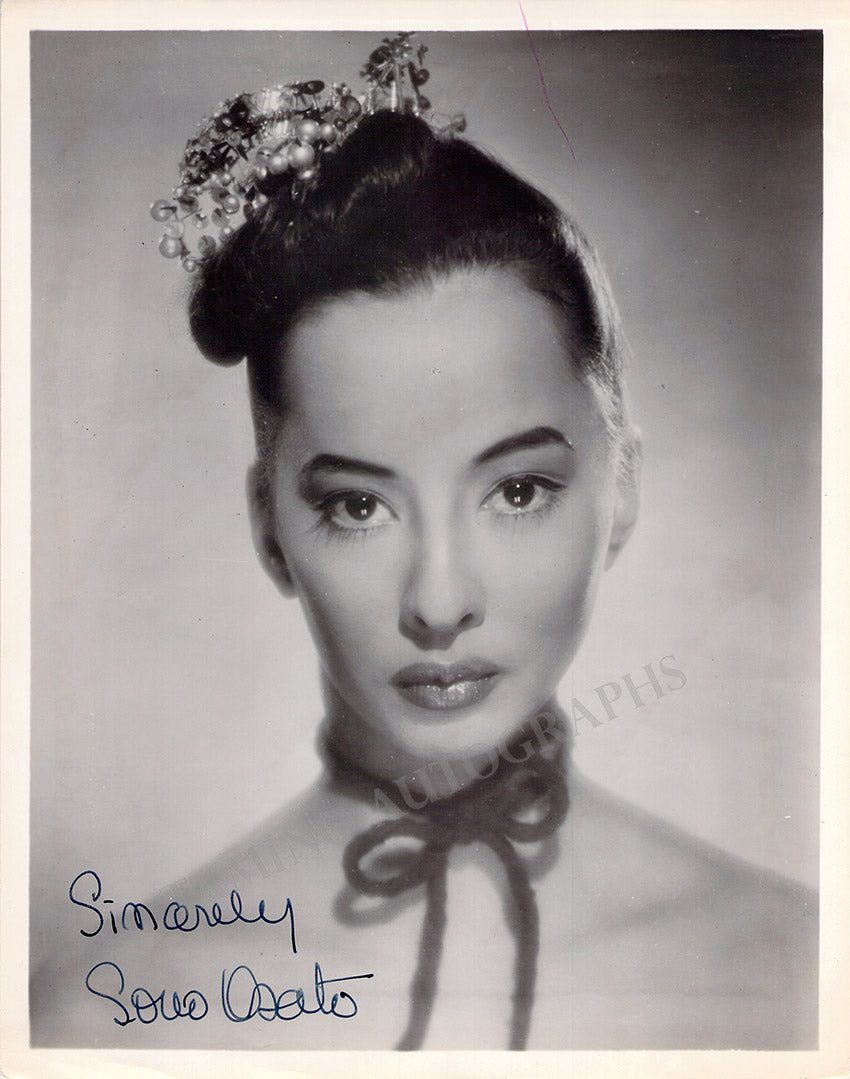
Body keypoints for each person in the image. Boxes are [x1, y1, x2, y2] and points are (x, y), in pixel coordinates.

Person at [31, 35, 817, 1051]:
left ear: (620, 487)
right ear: (269, 525)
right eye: (359, 506)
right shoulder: (104, 1015)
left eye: (518, 490)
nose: (439, 602)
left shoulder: (796, 973)